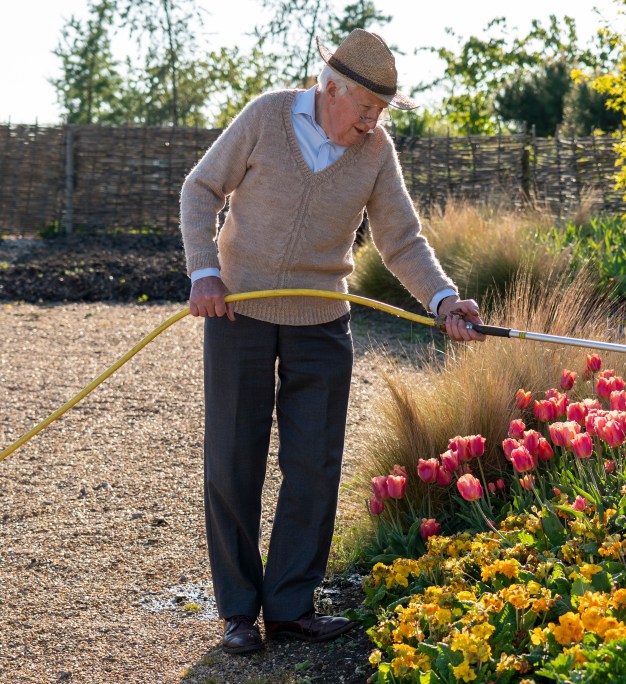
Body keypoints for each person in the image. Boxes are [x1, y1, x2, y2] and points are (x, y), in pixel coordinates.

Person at [180, 28, 485, 655]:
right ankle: (239, 611)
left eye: (382, 112)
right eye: (367, 107)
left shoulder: (376, 152)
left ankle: (290, 606)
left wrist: (444, 298)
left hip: (322, 320)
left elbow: (401, 239)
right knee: (234, 459)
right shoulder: (266, 115)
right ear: (331, 89)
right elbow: (200, 189)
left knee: (314, 467)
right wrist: (203, 271)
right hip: (239, 309)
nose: (373, 122)